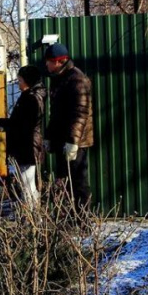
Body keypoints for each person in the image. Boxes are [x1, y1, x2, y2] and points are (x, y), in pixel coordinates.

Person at [44, 42, 93, 208]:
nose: (46, 64)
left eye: (49, 61)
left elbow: (80, 113)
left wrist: (73, 142)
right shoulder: (59, 79)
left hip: (75, 142)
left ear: (58, 61)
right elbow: (55, 113)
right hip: (62, 140)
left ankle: (82, 222)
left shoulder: (77, 80)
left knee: (77, 184)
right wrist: (49, 136)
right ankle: (67, 222)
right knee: (63, 182)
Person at [0, 65, 46, 204]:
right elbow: (20, 123)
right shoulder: (29, 96)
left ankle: (32, 218)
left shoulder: (32, 98)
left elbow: (24, 125)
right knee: (27, 184)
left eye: (20, 80)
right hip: (27, 145)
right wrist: (5, 124)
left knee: (28, 185)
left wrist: (5, 124)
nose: (18, 84)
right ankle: (32, 217)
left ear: (28, 81)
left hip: (28, 146)